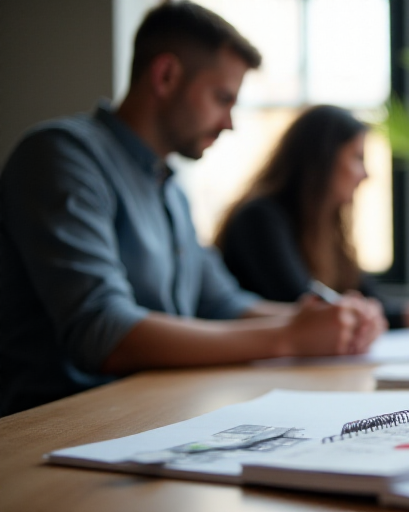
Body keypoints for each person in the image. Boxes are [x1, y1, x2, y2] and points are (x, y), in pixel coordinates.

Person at [0, 3, 383, 417]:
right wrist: (289, 336)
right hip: (58, 430)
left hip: (152, 415)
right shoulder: (61, 156)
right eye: (223, 98)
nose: (230, 123)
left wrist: (329, 321)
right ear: (166, 76)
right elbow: (103, 332)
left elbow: (222, 303)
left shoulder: (170, 190)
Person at [216, 105, 409, 328]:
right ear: (322, 160)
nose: (366, 175)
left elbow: (370, 299)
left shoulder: (327, 228)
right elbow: (309, 308)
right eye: (357, 158)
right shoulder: (260, 219)